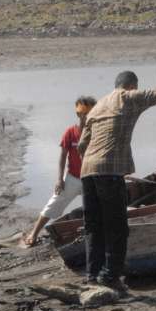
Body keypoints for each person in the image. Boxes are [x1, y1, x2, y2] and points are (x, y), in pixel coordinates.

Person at [77, 44, 156, 291]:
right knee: (116, 227)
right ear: (132, 86)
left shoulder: (98, 106)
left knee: (94, 225)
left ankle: (92, 274)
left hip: (88, 172)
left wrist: (94, 161)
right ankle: (110, 277)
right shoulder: (129, 98)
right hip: (109, 172)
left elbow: (81, 145)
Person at [21, 95, 96, 247]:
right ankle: (34, 233)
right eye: (83, 114)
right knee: (54, 203)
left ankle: (97, 233)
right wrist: (60, 179)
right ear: (78, 114)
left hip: (92, 179)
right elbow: (62, 156)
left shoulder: (97, 133)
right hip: (73, 178)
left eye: (90, 114)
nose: (86, 117)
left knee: (100, 206)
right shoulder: (70, 132)